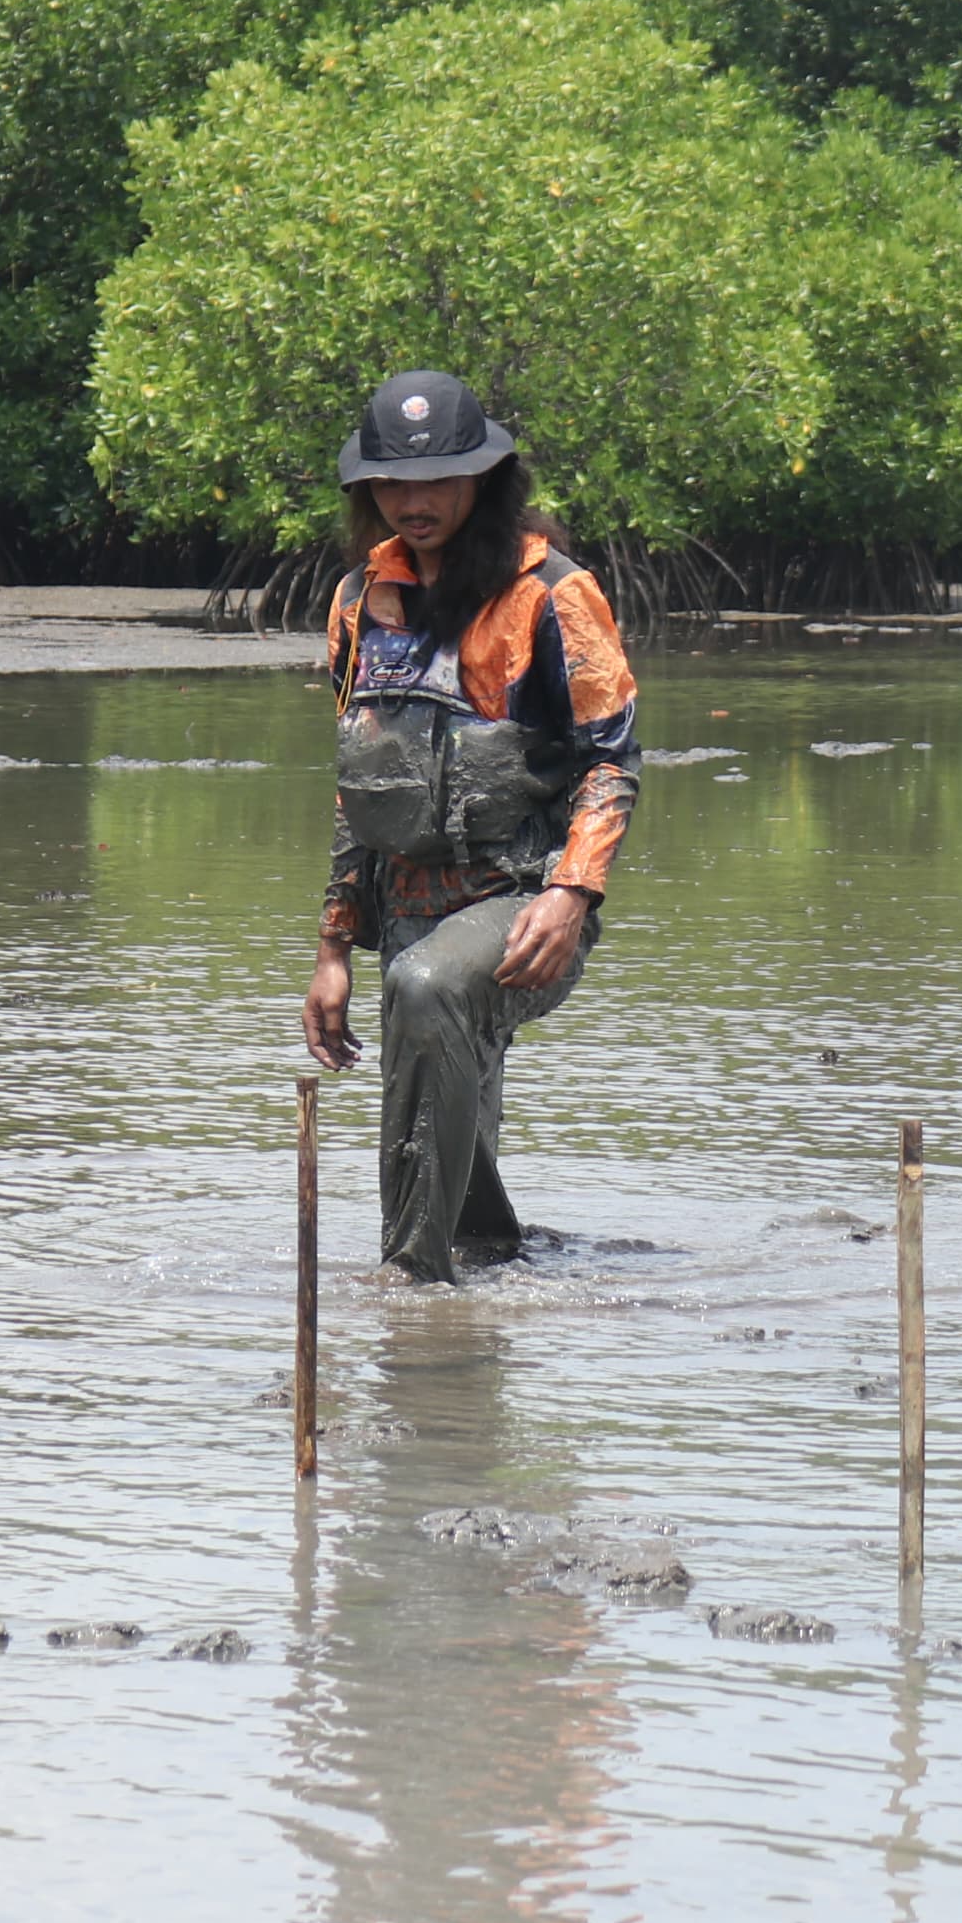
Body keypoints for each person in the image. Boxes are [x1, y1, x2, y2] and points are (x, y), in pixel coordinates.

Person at [299, 371, 641, 1282]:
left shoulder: (552, 597)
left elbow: (612, 761)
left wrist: (572, 895)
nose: (414, 502)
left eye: (439, 481)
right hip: (408, 900)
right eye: (393, 484)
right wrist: (334, 945)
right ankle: (489, 1273)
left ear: (486, 480)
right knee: (439, 1090)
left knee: (428, 990)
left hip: (522, 901)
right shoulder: (354, 604)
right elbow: (356, 784)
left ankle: (410, 1281)